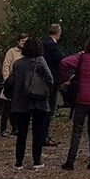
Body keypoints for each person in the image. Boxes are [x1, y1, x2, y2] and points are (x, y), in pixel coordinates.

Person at [59, 36, 90, 171]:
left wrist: (66, 79)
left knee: (77, 130)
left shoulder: (82, 58)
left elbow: (64, 62)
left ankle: (70, 161)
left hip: (83, 97)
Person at [7, 36, 53, 168]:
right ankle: (37, 160)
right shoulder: (40, 61)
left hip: (21, 101)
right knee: (37, 131)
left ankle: (19, 161)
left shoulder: (18, 64)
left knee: (21, 132)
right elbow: (50, 78)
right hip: (38, 100)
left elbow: (12, 81)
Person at [0, 33, 27, 136]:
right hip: (11, 84)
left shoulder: (26, 53)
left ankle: (15, 127)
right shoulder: (12, 52)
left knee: (17, 109)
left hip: (21, 85)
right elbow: (6, 66)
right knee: (6, 108)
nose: (24, 44)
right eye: (22, 41)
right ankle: (3, 129)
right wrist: (7, 81)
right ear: (18, 41)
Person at [42, 23, 64, 147]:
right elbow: (62, 59)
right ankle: (44, 136)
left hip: (44, 80)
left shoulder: (44, 43)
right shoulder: (53, 46)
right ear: (58, 33)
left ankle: (43, 134)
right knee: (48, 109)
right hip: (52, 80)